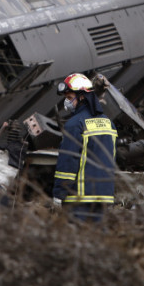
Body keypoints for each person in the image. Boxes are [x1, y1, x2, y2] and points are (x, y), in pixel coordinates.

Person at [53, 73, 118, 223]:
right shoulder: (108, 123)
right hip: (104, 197)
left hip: (79, 200)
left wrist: (59, 194)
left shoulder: (75, 124)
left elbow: (68, 163)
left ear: (81, 97)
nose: (66, 103)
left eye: (69, 98)